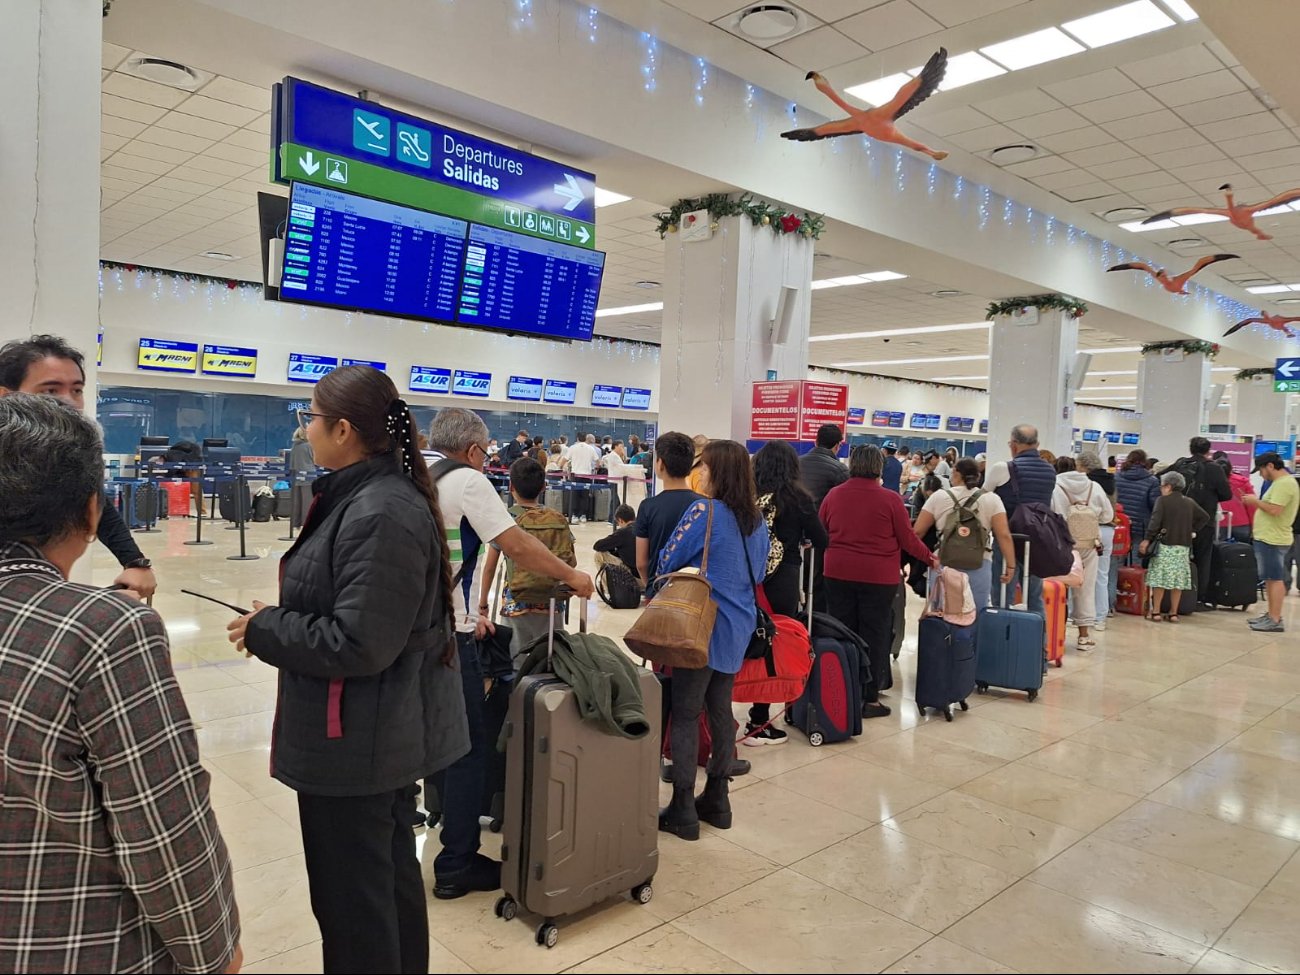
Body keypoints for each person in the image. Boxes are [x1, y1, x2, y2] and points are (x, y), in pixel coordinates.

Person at [226, 366, 465, 974]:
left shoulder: (379, 510)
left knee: (354, 907)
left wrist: (267, 629)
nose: (305, 430)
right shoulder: (367, 497)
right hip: (366, 735)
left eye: (310, 418)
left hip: (356, 743)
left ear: (342, 429)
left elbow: (361, 642)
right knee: (380, 890)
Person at [0, 394, 241, 974]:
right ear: (91, 513)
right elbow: (161, 824)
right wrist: (214, 950)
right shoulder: (104, 629)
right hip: (77, 942)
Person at [420, 408, 594, 899]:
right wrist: (571, 576)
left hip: (409, 628)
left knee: (417, 734)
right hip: (447, 634)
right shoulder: (467, 481)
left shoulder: (409, 469)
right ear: (474, 451)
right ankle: (456, 863)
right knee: (469, 745)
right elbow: (515, 544)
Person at [655, 440, 770, 842]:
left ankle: (683, 807)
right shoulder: (757, 519)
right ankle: (718, 799)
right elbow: (758, 573)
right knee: (721, 709)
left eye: (703, 467)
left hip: (701, 625)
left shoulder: (704, 511)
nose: (698, 473)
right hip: (738, 625)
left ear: (715, 471)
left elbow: (666, 559)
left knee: (686, 712)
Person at [0, 334, 157, 598]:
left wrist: (134, 561)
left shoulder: (72, 448)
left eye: (76, 390)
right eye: (50, 390)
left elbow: (93, 500)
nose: (70, 402)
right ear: (6, 395)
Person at [820, 445, 936, 717]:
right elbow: (908, 539)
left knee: (842, 631)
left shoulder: (834, 495)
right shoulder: (891, 499)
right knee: (874, 635)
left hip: (837, 573)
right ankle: (869, 698)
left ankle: (842, 691)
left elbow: (821, 529)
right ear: (879, 467)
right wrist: (930, 559)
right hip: (878, 578)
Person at [746, 440, 828, 745]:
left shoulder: (748, 497)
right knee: (774, 644)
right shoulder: (797, 498)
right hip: (783, 580)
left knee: (749, 638)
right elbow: (822, 540)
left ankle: (735, 700)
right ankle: (760, 718)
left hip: (749, 580)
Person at [478, 457, 578, 659]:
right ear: (543, 487)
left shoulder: (506, 520)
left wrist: (483, 604)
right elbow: (569, 559)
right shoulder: (557, 519)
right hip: (552, 602)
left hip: (516, 602)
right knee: (549, 659)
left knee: (515, 662)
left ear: (511, 486)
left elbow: (490, 568)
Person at [913, 457, 1015, 609]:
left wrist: (921, 559)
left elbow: (918, 532)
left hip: (944, 562)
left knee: (941, 613)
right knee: (975, 614)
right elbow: (1004, 535)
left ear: (955, 472)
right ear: (978, 476)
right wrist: (1011, 566)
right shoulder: (992, 499)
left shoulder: (939, 496)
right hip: (980, 563)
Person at [984, 424, 1059, 616]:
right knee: (1035, 596)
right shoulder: (1050, 471)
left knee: (1003, 594)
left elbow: (983, 499)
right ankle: (1037, 643)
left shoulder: (1003, 468)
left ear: (1014, 445)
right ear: (1037, 444)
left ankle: (1002, 639)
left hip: (1008, 537)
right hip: (1037, 540)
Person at [1053, 453, 1114, 650]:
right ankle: (1084, 636)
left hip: (1062, 543)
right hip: (1088, 543)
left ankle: (1057, 632)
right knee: (1086, 587)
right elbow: (1108, 515)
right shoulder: (1094, 487)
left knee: (1059, 587)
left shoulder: (1055, 487)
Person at [1169, 437, 1232, 609]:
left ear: (1190, 449)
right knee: (1202, 559)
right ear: (1208, 450)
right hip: (1204, 520)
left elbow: (1162, 479)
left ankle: (1173, 597)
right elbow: (1227, 494)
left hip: (1177, 520)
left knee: (1177, 557)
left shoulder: (1180, 464)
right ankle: (1198, 597)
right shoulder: (1214, 468)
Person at [1140, 470, 1210, 623]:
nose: (1161, 489)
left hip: (1164, 546)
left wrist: (1147, 539)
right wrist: (1192, 530)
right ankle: (1173, 613)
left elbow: (1154, 522)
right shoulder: (1189, 502)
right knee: (1177, 582)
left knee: (1160, 580)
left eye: (1162, 486)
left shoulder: (1162, 501)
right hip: (1183, 547)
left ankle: (1156, 612)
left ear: (1169, 486)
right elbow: (1205, 517)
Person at [636, 431, 702, 590]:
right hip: (694, 592)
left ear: (660, 464)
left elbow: (641, 563)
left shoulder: (648, 506)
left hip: (659, 589)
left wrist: (650, 585)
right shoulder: (705, 505)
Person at [1242, 452, 1298, 632]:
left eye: (1261, 470)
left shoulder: (1285, 484)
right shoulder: (1279, 483)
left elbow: (1275, 510)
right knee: (1269, 578)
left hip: (1273, 538)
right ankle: (1271, 615)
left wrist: (1254, 502)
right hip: (1267, 537)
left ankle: (1275, 618)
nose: (1260, 474)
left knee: (1275, 578)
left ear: (1270, 466)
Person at [1082, 450, 1119, 626]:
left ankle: (1081, 616)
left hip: (1088, 529)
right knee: (1102, 575)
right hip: (1108, 531)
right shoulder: (1111, 481)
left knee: (1081, 574)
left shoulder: (1087, 483)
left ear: (1084, 466)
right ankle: (1100, 617)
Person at [1116, 449, 1161, 562]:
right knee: (1135, 561)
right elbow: (1155, 505)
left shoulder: (1116, 477)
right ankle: (1132, 580)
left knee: (1117, 559)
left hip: (1119, 523)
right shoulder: (1152, 481)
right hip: (1140, 526)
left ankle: (1116, 579)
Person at [1215, 455, 1254, 542]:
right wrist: (1253, 525)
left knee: (1219, 552)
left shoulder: (1212, 482)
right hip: (1242, 523)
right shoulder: (1243, 482)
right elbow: (1252, 507)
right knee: (1242, 552)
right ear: (1231, 469)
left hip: (1220, 522)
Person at [567, 433, 602, 522]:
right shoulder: (591, 448)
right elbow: (598, 462)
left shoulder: (573, 447)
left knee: (575, 495)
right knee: (585, 496)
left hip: (576, 475)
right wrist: (595, 468)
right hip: (587, 475)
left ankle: (574, 515)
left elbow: (565, 459)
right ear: (585, 438)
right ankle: (583, 515)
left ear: (577, 438)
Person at [594, 503, 638, 573]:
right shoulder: (644, 528)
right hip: (649, 574)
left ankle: (608, 583)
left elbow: (597, 545)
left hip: (634, 575)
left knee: (599, 555)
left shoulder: (622, 532)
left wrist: (613, 546)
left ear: (620, 520)